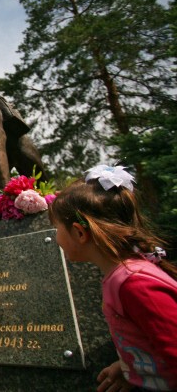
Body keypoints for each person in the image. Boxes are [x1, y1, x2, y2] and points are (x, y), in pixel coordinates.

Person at [49, 165, 177, 391]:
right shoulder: (121, 277)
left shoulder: (136, 284)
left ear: (79, 233)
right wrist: (130, 365)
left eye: (56, 228)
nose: (55, 237)